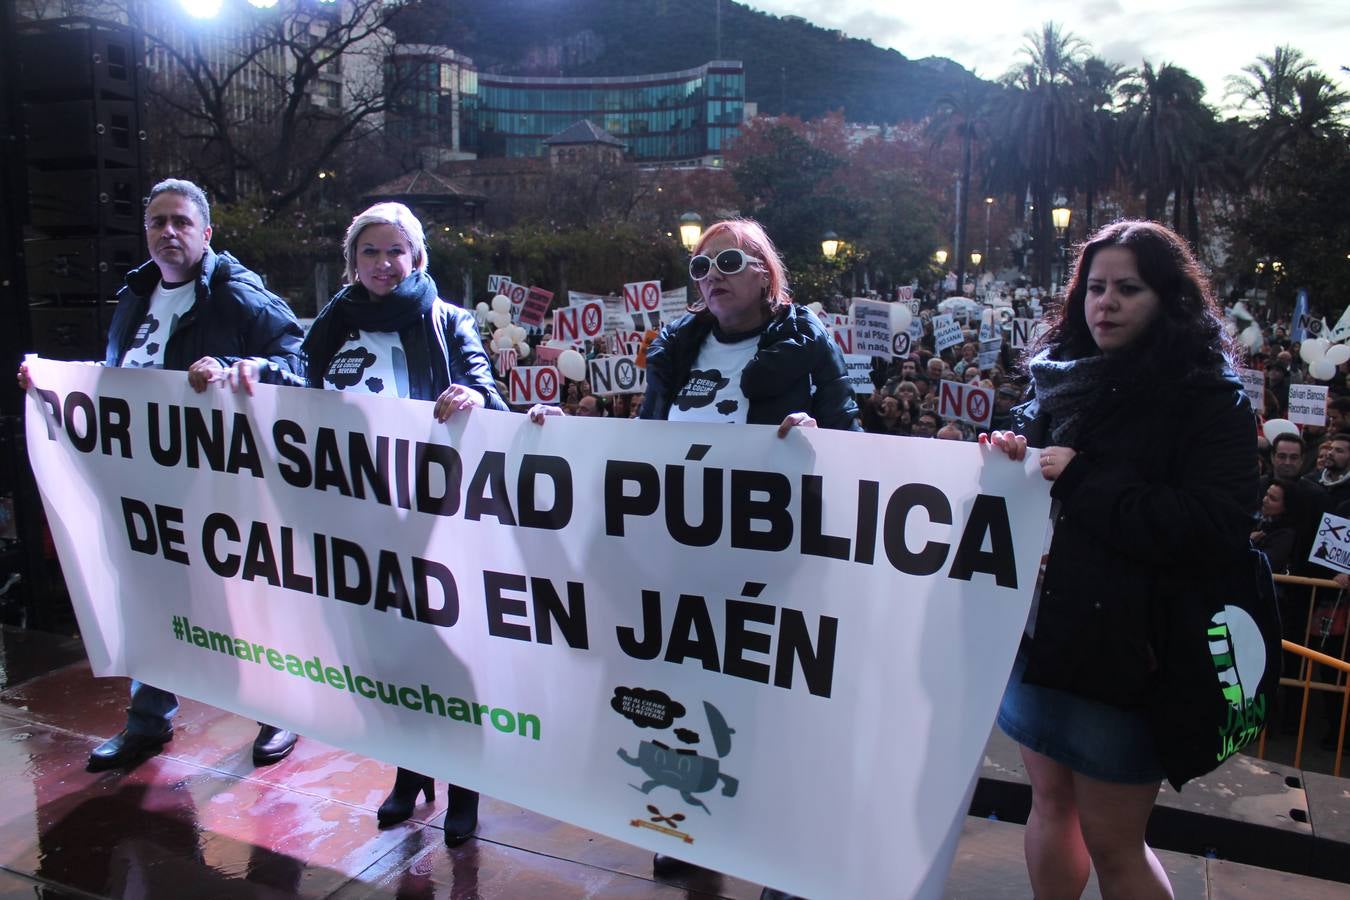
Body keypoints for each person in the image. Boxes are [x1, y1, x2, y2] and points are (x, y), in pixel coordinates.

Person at [529, 218, 856, 900]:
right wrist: (564, 439)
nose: (711, 278)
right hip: (677, 565)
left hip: (773, 564)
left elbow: (855, 439)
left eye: (728, 262)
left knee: (770, 710)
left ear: (765, 270)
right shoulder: (675, 348)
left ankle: (781, 855)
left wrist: (819, 438)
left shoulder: (806, 343)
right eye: (699, 268)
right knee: (682, 700)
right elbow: (647, 445)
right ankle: (685, 825)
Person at [983, 220, 1256, 899]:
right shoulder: (1055, 387)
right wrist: (1009, 454)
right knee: (1049, 806)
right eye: (1095, 287)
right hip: (1040, 641)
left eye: (1128, 289)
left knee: (1113, 842)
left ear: (1169, 299)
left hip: (1130, 656)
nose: (1104, 303)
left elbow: (1214, 524)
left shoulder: (1207, 399)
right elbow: (1034, 487)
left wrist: (1082, 480)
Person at [239, 202, 506, 846]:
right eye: (370, 252)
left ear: (417, 258)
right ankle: (410, 775)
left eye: (396, 252)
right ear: (351, 261)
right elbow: (296, 373)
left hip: (433, 519)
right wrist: (240, 370)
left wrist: (472, 394)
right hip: (358, 520)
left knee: (446, 654)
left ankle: (464, 787)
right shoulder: (334, 321)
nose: (384, 264)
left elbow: (488, 392)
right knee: (387, 656)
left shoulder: (449, 322)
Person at [19, 178, 305, 772]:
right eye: (156, 222)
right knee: (149, 598)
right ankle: (148, 720)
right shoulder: (134, 297)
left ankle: (280, 714)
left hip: (221, 483)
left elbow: (297, 365)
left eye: (180, 221)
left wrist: (236, 368)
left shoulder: (240, 296)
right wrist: (56, 385)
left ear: (206, 232)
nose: (168, 232)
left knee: (240, 601)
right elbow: (119, 378)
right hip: (146, 486)